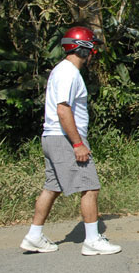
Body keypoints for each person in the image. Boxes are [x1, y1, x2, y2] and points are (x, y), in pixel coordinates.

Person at [20, 26, 122, 255]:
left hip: (52, 137)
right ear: (82, 48)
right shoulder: (68, 73)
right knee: (90, 186)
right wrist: (77, 143)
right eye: (91, 48)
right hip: (64, 137)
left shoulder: (61, 71)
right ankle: (92, 241)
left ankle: (34, 237)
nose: (92, 53)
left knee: (51, 188)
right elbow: (63, 110)